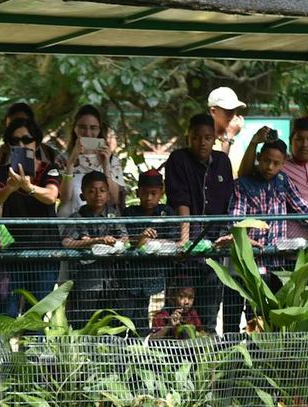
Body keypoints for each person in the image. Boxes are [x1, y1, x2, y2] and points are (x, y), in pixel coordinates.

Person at [164, 112, 235, 328]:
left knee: (209, 312)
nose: (201, 142)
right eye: (196, 137)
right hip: (187, 248)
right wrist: (185, 240)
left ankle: (206, 358)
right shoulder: (178, 159)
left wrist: (227, 234)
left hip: (214, 246)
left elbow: (228, 202)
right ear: (188, 138)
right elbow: (180, 200)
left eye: (207, 137)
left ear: (214, 138)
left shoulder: (223, 161)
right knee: (178, 310)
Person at [0, 115, 62, 315]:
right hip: (12, 251)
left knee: (36, 315)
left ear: (36, 142)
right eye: (15, 141)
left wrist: (29, 188)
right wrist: (12, 187)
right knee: (6, 314)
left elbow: (51, 196)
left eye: (26, 139)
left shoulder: (50, 169)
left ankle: (32, 347)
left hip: (45, 252)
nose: (21, 144)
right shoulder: (4, 172)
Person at [231, 136, 308, 249]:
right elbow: (236, 218)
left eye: (276, 163)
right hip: (251, 253)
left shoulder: (283, 181)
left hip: (277, 255)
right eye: (266, 160)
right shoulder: (242, 185)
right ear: (258, 157)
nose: (270, 167)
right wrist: (244, 240)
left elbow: (302, 207)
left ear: (283, 164)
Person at [60, 170, 128, 323]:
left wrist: (117, 244)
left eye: (102, 190)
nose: (98, 194)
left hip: (111, 281)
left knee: (109, 322)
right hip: (85, 282)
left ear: (108, 194)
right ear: (83, 195)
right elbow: (66, 242)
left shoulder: (114, 215)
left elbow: (124, 237)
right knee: (83, 322)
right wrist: (95, 241)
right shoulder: (77, 218)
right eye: (92, 191)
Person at [121, 169, 175, 329]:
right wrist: (141, 239)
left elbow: (174, 240)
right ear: (137, 192)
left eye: (153, 193)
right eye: (144, 193)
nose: (149, 197)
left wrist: (152, 242)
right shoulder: (129, 213)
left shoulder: (167, 213)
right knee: (130, 322)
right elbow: (125, 242)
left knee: (154, 322)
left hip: (157, 279)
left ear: (162, 192)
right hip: (132, 280)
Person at [57, 105, 124, 214]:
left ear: (100, 130)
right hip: (70, 225)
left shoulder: (112, 160)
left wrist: (106, 165)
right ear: (74, 129)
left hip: (102, 227)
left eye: (93, 128)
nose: (88, 133)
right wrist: (70, 163)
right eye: (82, 127)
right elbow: (64, 198)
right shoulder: (62, 159)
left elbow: (113, 199)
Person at [207, 87, 246, 155]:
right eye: (228, 111)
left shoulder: (239, 136)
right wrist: (229, 138)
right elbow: (221, 164)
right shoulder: (204, 139)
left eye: (235, 110)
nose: (233, 115)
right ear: (213, 111)